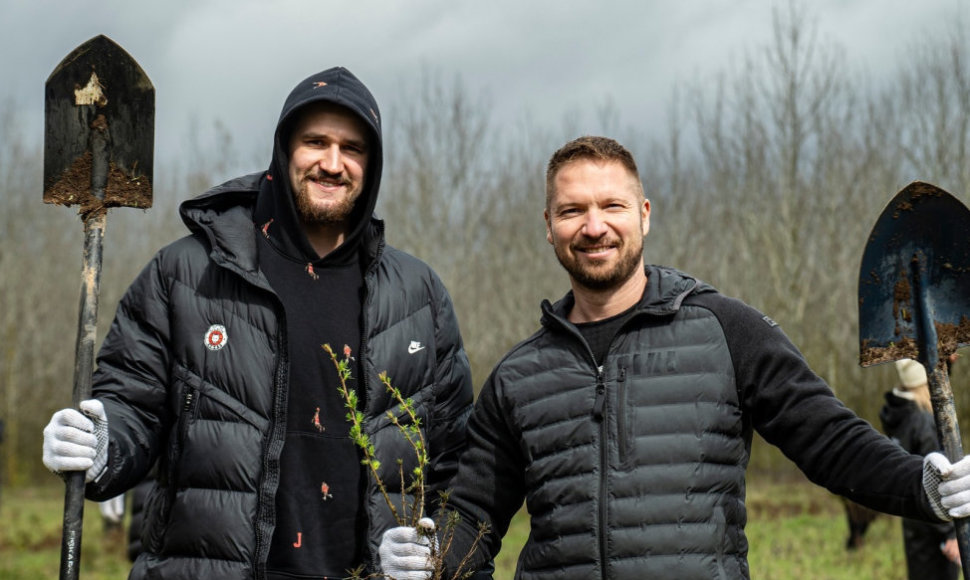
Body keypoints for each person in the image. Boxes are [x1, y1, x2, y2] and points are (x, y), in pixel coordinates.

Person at [378, 135, 970, 580]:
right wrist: (427, 559)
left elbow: (832, 444)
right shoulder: (520, 374)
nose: (593, 226)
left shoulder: (726, 330)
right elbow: (476, 517)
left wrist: (923, 484)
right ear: (549, 227)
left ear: (644, 214)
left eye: (612, 205)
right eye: (571, 210)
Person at [41, 67, 476, 580]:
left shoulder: (417, 296)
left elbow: (457, 467)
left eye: (352, 148)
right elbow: (132, 403)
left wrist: (431, 551)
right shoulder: (187, 273)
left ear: (372, 164)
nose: (333, 164)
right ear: (283, 150)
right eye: (315, 142)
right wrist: (102, 440)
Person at [881, 358, 961, 579]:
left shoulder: (898, 413)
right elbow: (938, 480)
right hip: (937, 525)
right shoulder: (923, 421)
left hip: (912, 519)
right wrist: (951, 534)